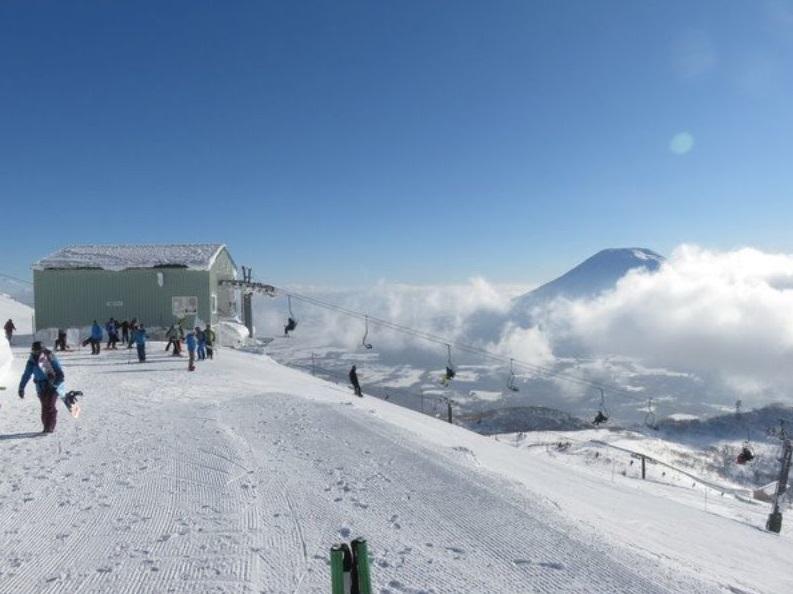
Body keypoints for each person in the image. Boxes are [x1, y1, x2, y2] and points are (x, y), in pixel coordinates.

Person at [18, 341, 64, 433]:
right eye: (34, 351)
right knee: (45, 407)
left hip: (52, 385)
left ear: (42, 350)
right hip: (40, 387)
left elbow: (59, 371)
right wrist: (21, 388)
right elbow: (26, 375)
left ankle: (50, 426)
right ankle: (46, 426)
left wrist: (56, 383)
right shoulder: (31, 361)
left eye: (38, 351)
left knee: (50, 405)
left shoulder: (50, 356)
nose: (36, 353)